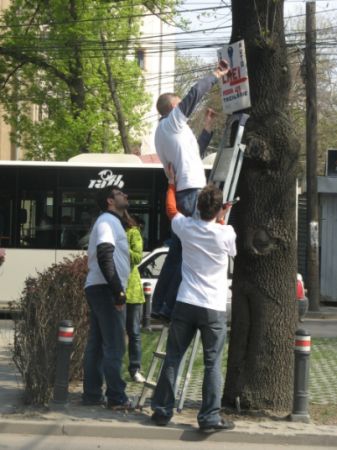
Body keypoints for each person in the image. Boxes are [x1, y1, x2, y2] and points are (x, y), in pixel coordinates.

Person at [151, 164, 237, 432]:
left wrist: (172, 185)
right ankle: (209, 417)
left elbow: (171, 210)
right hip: (213, 307)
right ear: (219, 208)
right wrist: (223, 218)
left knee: (173, 356)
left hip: (185, 302)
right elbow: (229, 248)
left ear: (198, 207)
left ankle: (162, 411)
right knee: (212, 362)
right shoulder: (226, 233)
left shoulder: (185, 227)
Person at [151, 60, 231, 321]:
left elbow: (193, 155)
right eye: (179, 105)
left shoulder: (167, 131)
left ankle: (160, 305)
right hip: (191, 192)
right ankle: (171, 306)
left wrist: (206, 129)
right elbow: (194, 94)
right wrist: (216, 75)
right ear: (173, 108)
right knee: (187, 253)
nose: (183, 108)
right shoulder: (172, 123)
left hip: (186, 189)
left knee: (176, 255)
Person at [82, 187, 131, 409]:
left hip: (99, 288)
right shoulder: (106, 223)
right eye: (121, 194)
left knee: (98, 344)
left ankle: (92, 394)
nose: (126, 196)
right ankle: (116, 397)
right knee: (114, 346)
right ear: (110, 201)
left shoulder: (110, 222)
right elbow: (104, 254)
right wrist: (118, 292)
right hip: (105, 290)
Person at [123, 212, 146, 383]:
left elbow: (138, 257)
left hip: (132, 291)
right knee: (115, 333)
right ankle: (113, 369)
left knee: (134, 332)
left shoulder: (133, 232)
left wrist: (122, 247)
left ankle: (135, 368)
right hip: (115, 288)